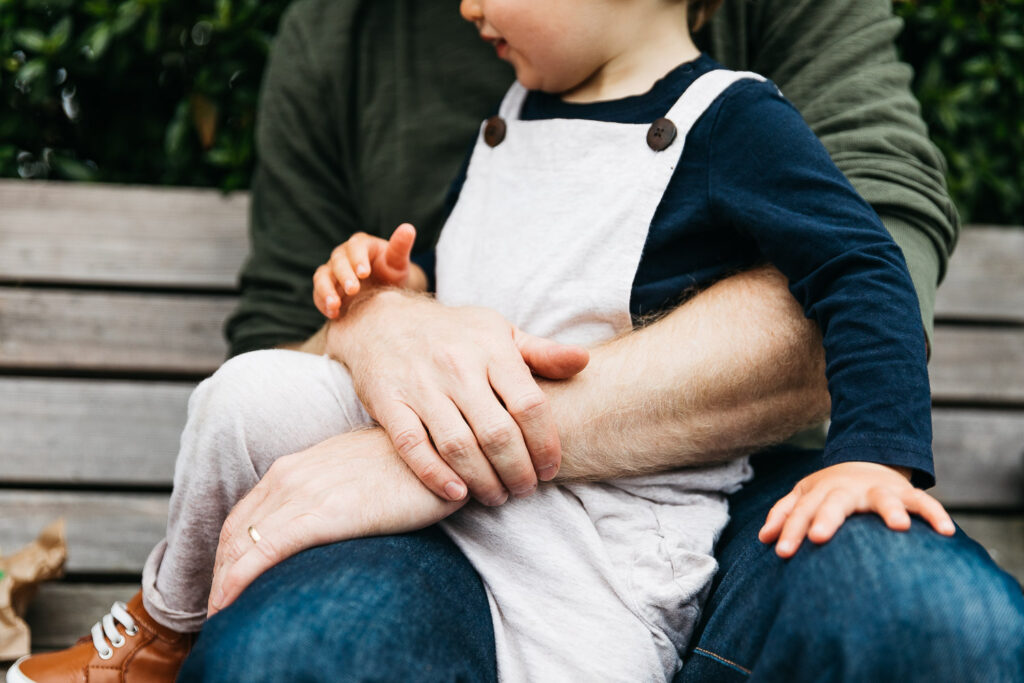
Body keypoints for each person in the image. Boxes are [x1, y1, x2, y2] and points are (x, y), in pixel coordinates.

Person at [11, 1, 1024, 682]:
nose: (465, 4)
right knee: (244, 396)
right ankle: (155, 627)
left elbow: (864, 258)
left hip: (620, 513)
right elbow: (478, 279)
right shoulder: (514, 110)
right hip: (437, 476)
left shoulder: (737, 120)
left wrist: (877, 454)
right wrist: (381, 307)